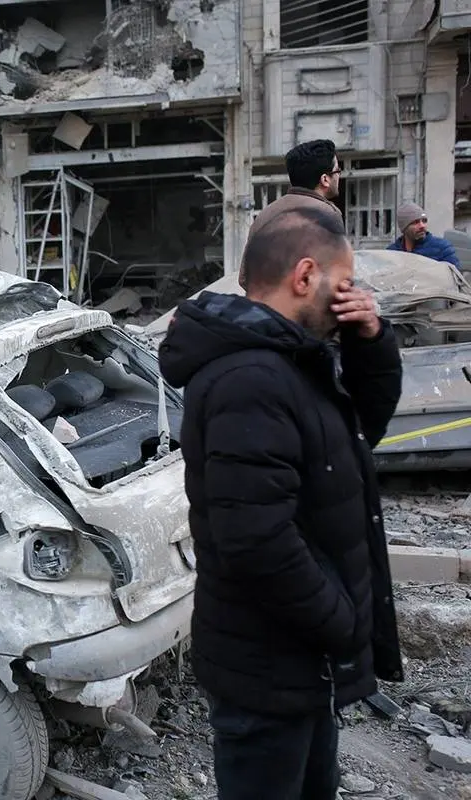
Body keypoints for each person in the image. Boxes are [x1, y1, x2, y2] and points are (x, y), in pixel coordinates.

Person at [158, 207, 403, 799]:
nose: (350, 297)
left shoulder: (292, 359)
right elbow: (256, 541)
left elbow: (355, 437)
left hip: (301, 657)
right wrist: (343, 621)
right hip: (267, 666)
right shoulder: (250, 379)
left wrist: (370, 342)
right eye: (344, 283)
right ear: (305, 276)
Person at [239, 139, 344, 289]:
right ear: (325, 179)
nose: (339, 176)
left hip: (259, 303)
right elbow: (335, 279)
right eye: (337, 171)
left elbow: (244, 278)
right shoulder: (328, 214)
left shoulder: (264, 215)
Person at [387, 202, 460, 267]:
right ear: (404, 228)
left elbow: (453, 275)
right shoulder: (392, 252)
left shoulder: (442, 248)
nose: (422, 226)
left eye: (424, 221)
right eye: (415, 222)